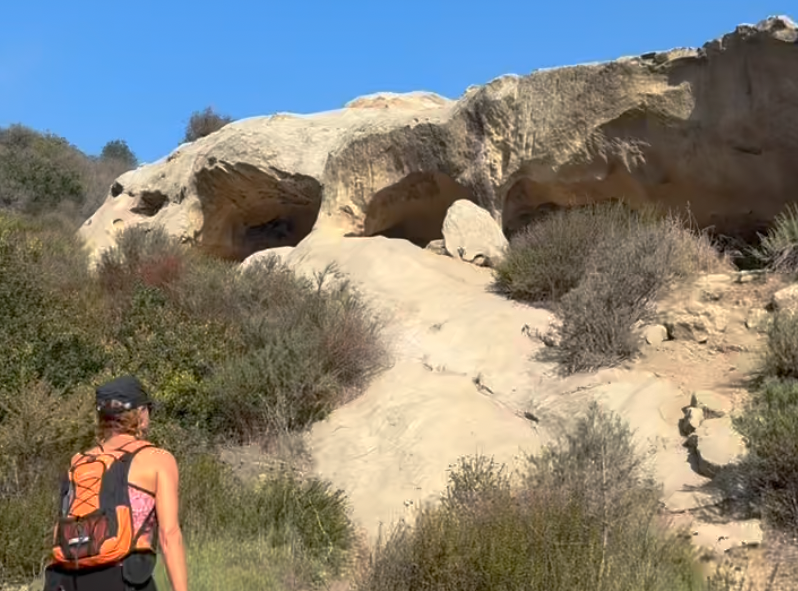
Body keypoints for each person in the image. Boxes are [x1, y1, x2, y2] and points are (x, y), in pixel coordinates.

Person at [43, 375, 188, 591]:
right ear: (139, 413)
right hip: (122, 578)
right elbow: (169, 536)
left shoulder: (78, 461)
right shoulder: (158, 459)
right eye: (148, 408)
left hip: (65, 579)